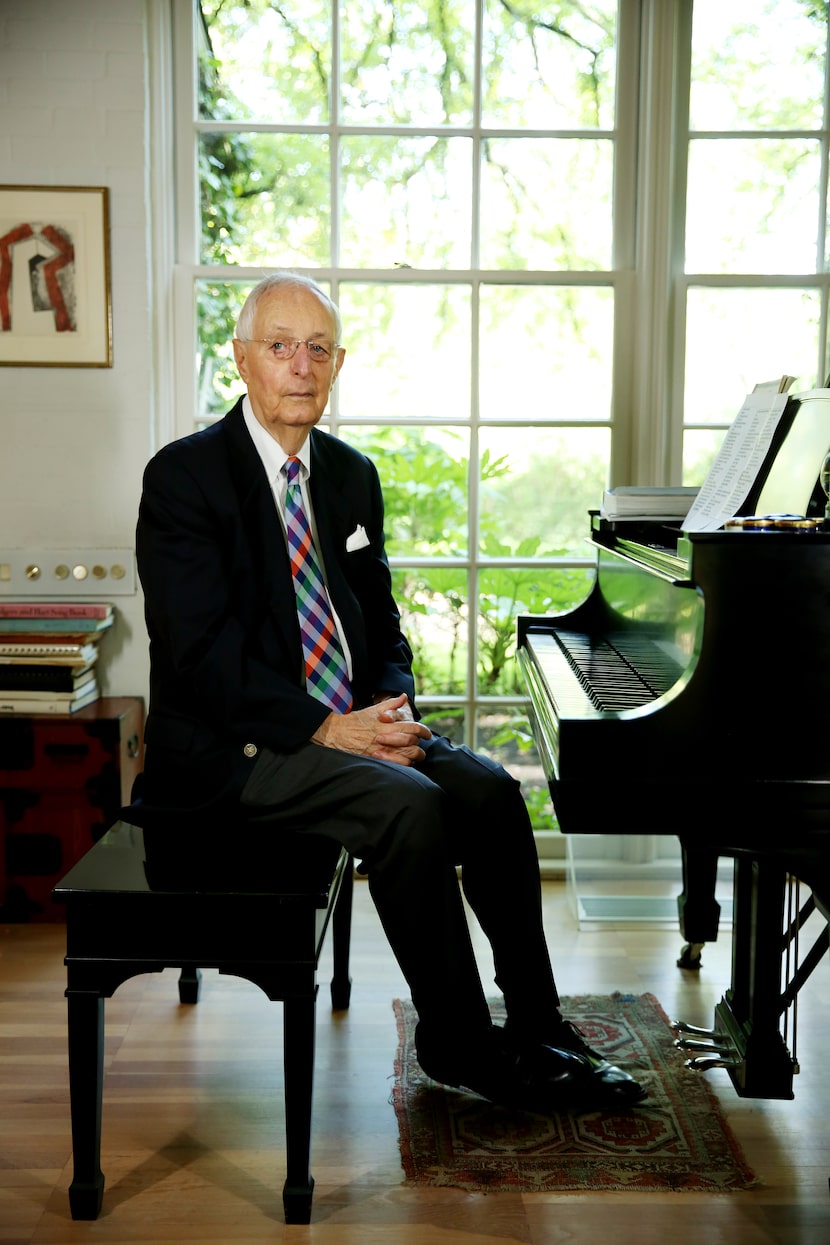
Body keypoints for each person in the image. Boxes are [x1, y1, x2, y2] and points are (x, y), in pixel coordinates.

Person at [133, 270, 646, 1114]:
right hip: (236, 752)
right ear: (242, 359)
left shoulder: (347, 474)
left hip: (352, 723)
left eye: (319, 349)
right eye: (280, 346)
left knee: (487, 792)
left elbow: (382, 622)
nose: (301, 365)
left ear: (338, 364)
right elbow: (201, 660)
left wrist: (391, 708)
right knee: (412, 808)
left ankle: (542, 1021)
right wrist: (332, 729)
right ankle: (459, 1040)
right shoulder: (185, 478)